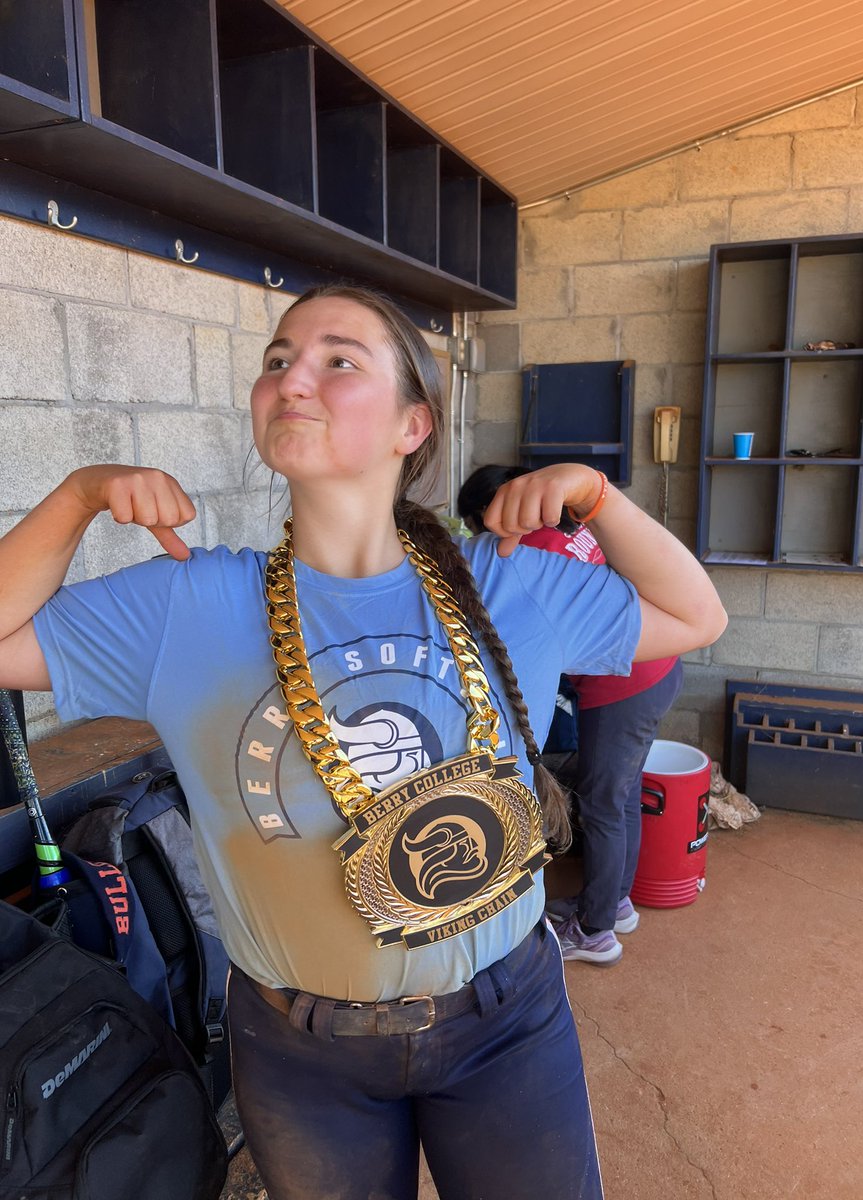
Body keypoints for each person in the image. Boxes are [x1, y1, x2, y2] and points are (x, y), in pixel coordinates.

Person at [0, 285, 727, 1200]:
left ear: (412, 426)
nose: (292, 377)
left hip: (507, 1019)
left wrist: (600, 497)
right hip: (299, 1051)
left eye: (338, 360)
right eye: (276, 360)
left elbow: (695, 614)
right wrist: (77, 497)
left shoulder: (509, 584)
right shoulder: (187, 603)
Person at [458, 465, 684, 967]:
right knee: (619, 797)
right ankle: (613, 903)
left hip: (620, 685)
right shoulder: (565, 527)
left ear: (488, 517)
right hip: (660, 667)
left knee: (602, 805)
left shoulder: (524, 554)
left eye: (475, 531)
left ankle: (595, 931)